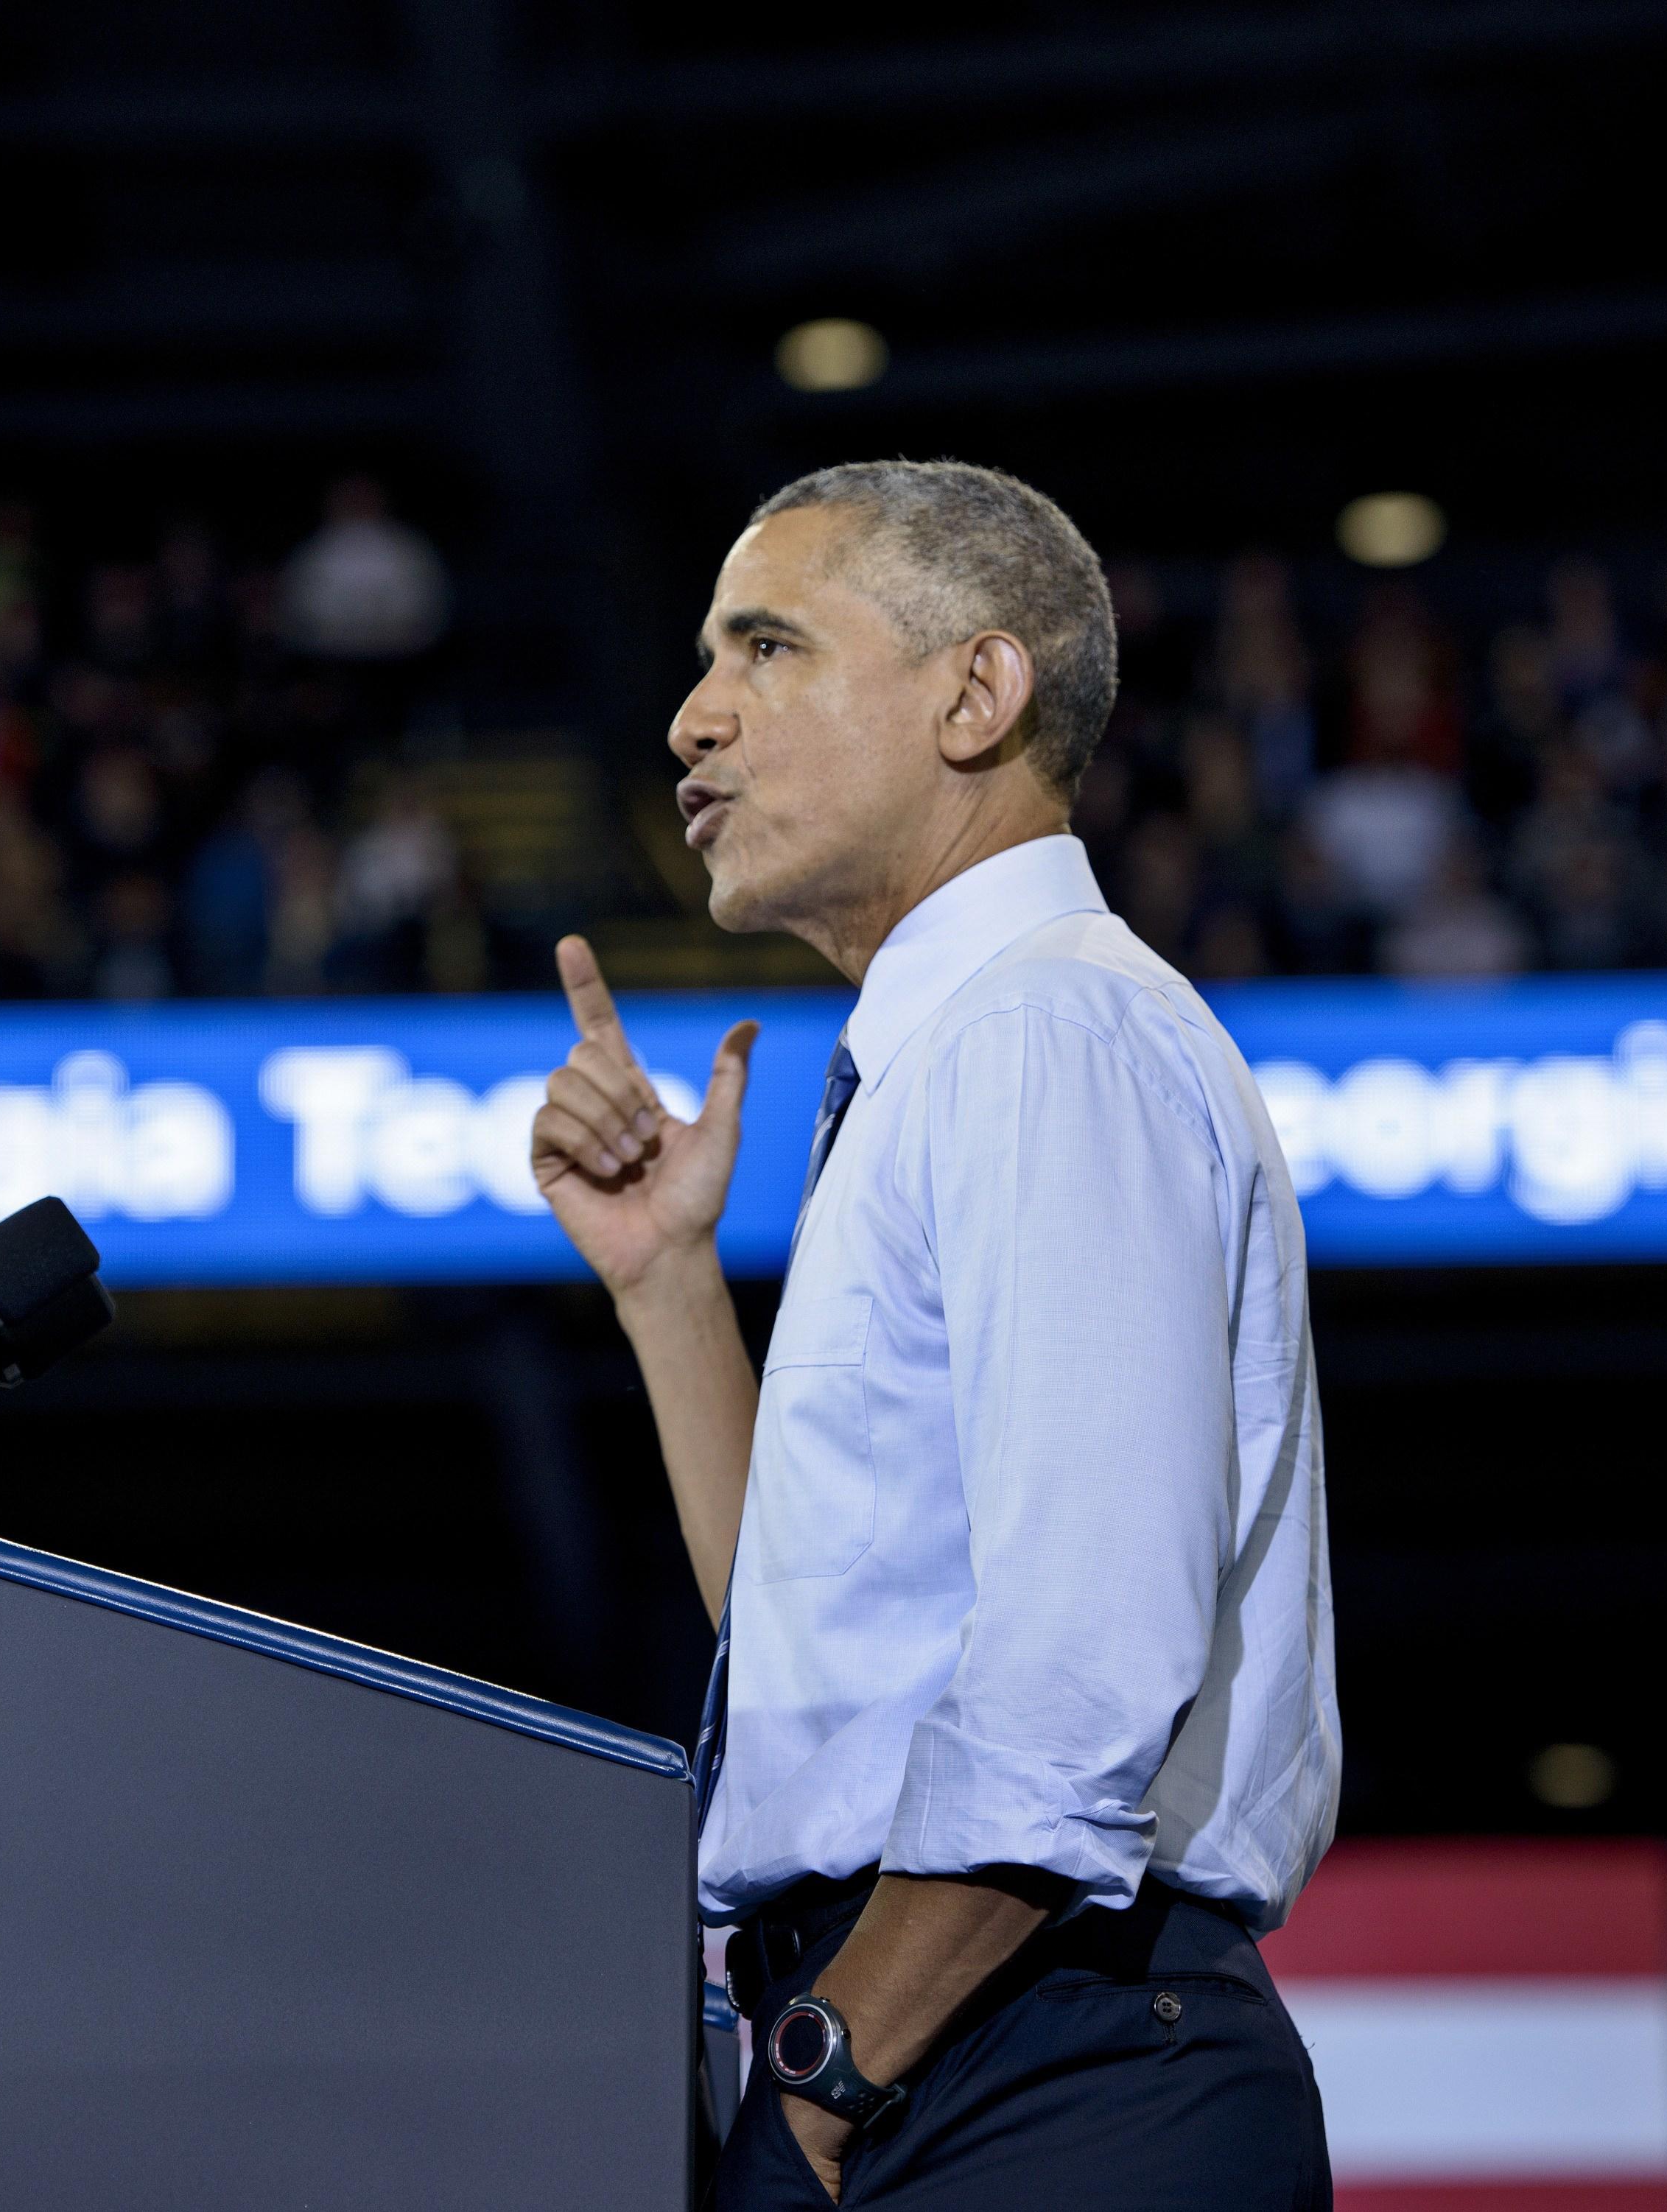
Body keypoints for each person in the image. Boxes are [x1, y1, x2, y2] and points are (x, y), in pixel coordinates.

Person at [528, 460, 1339, 2208]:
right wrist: (672, 1286)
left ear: (977, 694)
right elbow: (829, 1637)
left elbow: (1075, 1680)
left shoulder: (1045, 1037)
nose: (692, 718)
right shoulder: (960, 1048)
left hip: (1028, 2054)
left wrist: (822, 2083)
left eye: (767, 647)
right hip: (969, 2040)